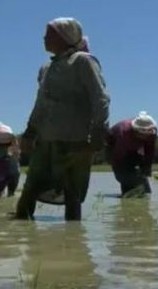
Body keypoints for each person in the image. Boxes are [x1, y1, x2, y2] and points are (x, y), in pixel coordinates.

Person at [15, 17, 110, 221]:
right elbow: (40, 104)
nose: (44, 38)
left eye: (49, 34)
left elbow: (100, 98)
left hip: (75, 140)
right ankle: (22, 223)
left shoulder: (83, 61)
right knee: (31, 186)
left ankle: (73, 238)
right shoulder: (47, 69)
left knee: (72, 192)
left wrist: (98, 132)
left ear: (65, 37)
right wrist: (30, 132)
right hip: (46, 138)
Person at [107, 112, 157, 196]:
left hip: (132, 149)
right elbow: (118, 157)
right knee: (124, 175)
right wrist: (122, 174)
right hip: (114, 147)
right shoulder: (124, 132)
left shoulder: (152, 132)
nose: (146, 137)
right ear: (136, 131)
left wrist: (147, 167)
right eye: (143, 134)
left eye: (147, 134)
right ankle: (127, 194)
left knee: (142, 176)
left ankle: (145, 194)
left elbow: (150, 151)